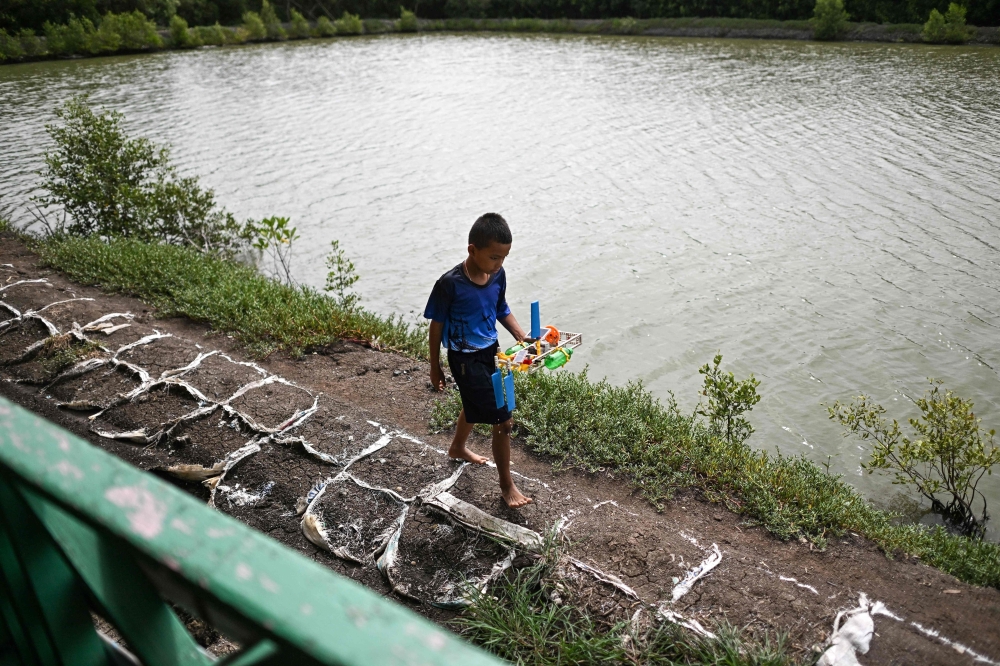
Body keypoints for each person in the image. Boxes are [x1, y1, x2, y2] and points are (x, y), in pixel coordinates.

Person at [424, 213, 532, 508]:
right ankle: (506, 485)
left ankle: (458, 447)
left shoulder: (498, 275)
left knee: (476, 403)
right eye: (494, 257)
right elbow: (436, 326)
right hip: (463, 358)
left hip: (490, 351)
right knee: (503, 419)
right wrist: (435, 367)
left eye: (504, 257)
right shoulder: (450, 284)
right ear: (472, 250)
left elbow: (501, 308)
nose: (499, 264)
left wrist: (521, 335)